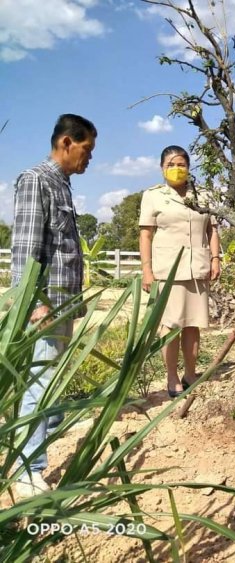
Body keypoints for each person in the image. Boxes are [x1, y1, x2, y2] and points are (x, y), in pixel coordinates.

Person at [11, 114, 97, 497]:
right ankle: (28, 469)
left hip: (63, 304)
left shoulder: (62, 185)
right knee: (39, 384)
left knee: (51, 382)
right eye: (86, 149)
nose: (89, 158)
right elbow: (26, 252)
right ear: (66, 142)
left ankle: (50, 428)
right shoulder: (36, 180)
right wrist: (34, 305)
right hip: (45, 306)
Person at [139, 146, 221, 398]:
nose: (177, 169)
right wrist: (147, 270)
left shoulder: (203, 195)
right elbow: (146, 234)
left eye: (181, 164)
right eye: (171, 164)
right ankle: (172, 376)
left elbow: (213, 230)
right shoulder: (153, 196)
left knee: (193, 325)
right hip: (168, 270)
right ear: (162, 167)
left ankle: (190, 373)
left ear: (189, 166)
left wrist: (215, 258)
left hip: (197, 268)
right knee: (170, 326)